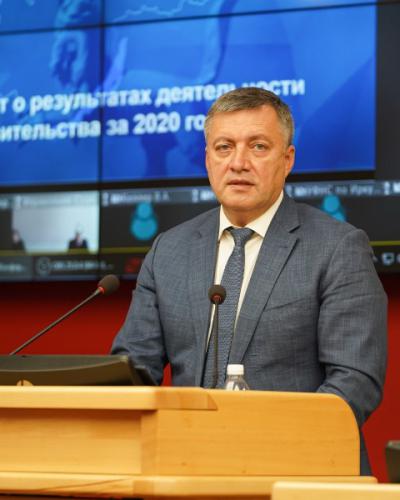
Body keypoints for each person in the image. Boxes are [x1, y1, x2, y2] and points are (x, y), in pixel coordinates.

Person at [111, 87, 387, 474]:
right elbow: (133, 369)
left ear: (287, 160)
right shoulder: (169, 250)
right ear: (208, 159)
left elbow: (354, 382)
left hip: (299, 474)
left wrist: (257, 448)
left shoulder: (338, 247)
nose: (238, 163)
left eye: (258, 147)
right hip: (186, 471)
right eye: (224, 147)